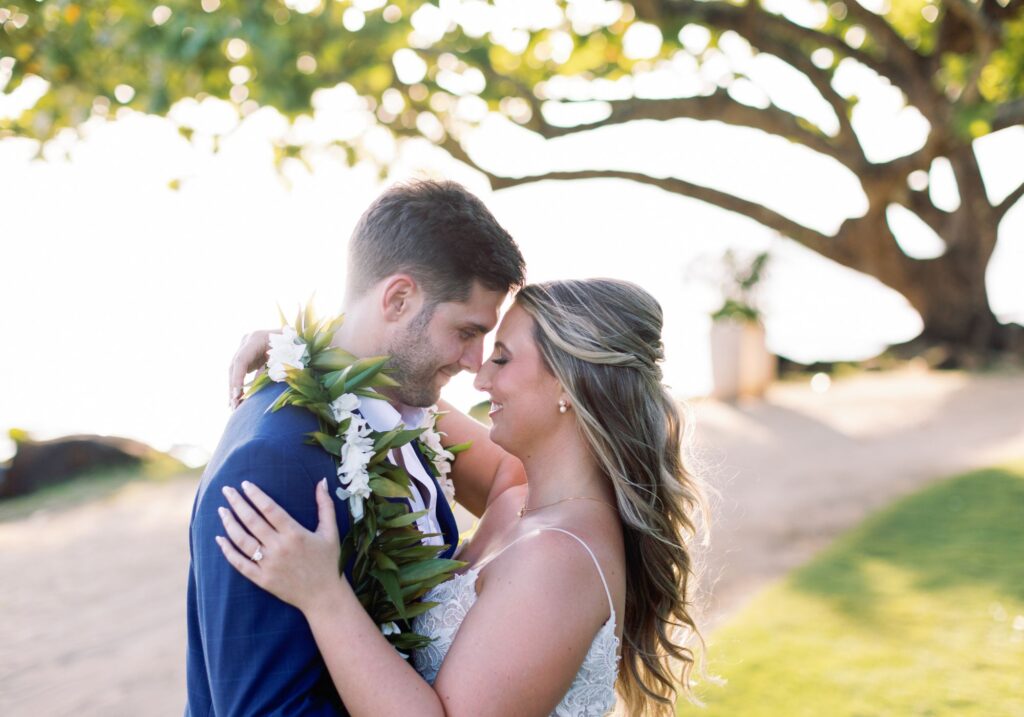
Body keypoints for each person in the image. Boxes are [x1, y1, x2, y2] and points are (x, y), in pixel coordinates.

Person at [217, 279, 708, 716]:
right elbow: (401, 389)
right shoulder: (518, 494)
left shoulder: (559, 557)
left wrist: (323, 596)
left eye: (503, 358)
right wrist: (307, 351)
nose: (481, 377)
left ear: (566, 381)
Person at [185, 179, 527, 716]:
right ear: (397, 298)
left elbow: (520, 477)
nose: (473, 361)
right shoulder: (273, 461)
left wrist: (459, 585)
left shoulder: (403, 410)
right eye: (466, 331)